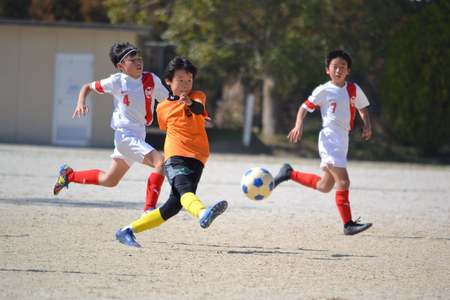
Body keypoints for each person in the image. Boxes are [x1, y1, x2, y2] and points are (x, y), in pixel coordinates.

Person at [115, 57, 228, 248]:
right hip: (175, 156)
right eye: (181, 80)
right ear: (169, 81)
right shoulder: (163, 107)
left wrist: (189, 103)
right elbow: (165, 127)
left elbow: (200, 109)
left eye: (189, 80)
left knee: (173, 206)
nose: (185, 85)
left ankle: (127, 230)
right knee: (185, 191)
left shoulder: (198, 96)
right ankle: (203, 213)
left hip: (198, 158)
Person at [53, 42, 169, 213]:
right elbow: (87, 87)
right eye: (132, 60)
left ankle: (69, 175)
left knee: (110, 180)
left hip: (139, 134)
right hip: (125, 136)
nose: (139, 62)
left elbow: (168, 101)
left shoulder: (151, 79)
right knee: (161, 162)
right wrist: (80, 102)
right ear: (120, 66)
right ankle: (149, 209)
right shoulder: (116, 81)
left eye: (140, 58)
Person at [274, 49, 373, 236]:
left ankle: (289, 173)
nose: (338, 70)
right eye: (335, 67)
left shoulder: (353, 89)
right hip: (329, 139)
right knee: (343, 181)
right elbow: (304, 107)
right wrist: (298, 125)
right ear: (327, 70)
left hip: (343, 139)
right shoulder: (323, 90)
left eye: (342, 67)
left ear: (348, 70)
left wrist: (367, 125)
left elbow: (362, 108)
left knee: (324, 186)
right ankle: (348, 224)